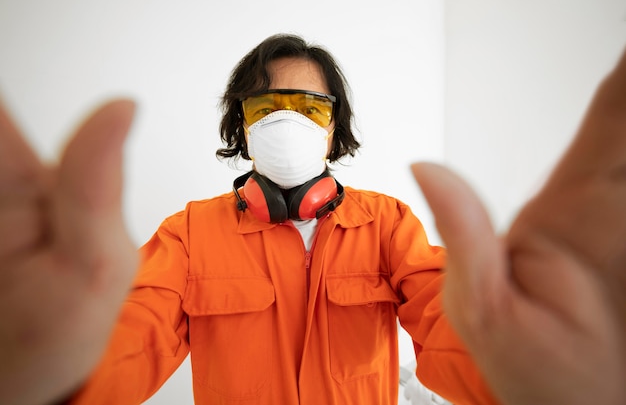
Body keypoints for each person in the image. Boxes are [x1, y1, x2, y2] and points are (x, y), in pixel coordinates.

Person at [0, 33, 623, 405]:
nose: (286, 118)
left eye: (309, 104)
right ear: (242, 127)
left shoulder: (389, 225)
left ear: (334, 128)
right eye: (267, 103)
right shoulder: (187, 234)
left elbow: (449, 319)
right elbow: (134, 334)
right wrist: (58, 382)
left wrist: (517, 382)